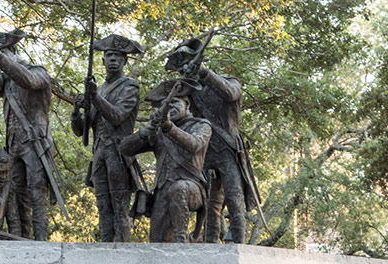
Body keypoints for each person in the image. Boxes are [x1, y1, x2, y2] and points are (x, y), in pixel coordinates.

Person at [0, 29, 60, 241]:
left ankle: (41, 242)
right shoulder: (5, 82)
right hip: (14, 146)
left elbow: (29, 81)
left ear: (13, 51)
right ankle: (21, 240)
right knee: (16, 197)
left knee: (37, 195)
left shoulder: (37, 72)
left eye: (0, 57)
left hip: (35, 143)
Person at [167, 37, 255, 243]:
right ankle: (209, 243)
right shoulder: (186, 93)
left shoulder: (226, 80)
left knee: (234, 198)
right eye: (181, 67)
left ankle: (239, 244)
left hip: (228, 150)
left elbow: (231, 94)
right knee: (210, 204)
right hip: (203, 153)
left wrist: (204, 72)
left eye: (187, 62)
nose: (184, 69)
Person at [70, 34, 145, 242]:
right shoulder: (99, 89)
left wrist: (95, 97)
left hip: (119, 154)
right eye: (109, 56)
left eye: (118, 57)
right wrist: (77, 110)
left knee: (119, 206)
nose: (113, 60)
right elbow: (81, 131)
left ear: (125, 61)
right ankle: (105, 249)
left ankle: (121, 251)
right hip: (99, 154)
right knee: (103, 207)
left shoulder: (129, 86)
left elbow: (117, 116)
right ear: (102, 61)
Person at [119, 79, 211, 243]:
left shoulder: (201, 125)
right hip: (162, 191)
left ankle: (181, 240)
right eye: (164, 105)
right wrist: (145, 132)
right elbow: (125, 148)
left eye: (174, 102)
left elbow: (194, 145)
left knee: (178, 188)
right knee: (157, 241)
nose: (169, 108)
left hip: (192, 188)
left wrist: (169, 127)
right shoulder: (159, 131)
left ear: (187, 104)